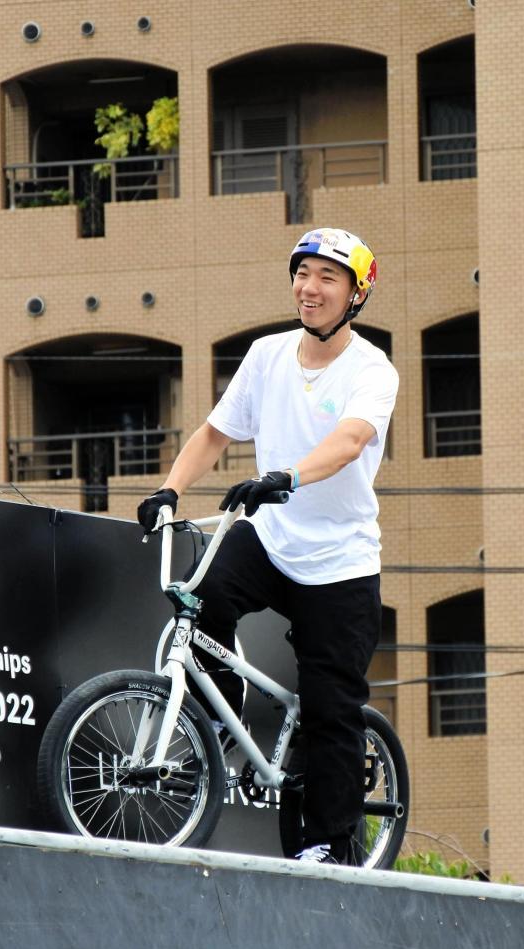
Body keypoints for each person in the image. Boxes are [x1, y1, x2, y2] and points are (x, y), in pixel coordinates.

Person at [137, 227, 398, 865]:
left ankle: (332, 847)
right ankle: (225, 710)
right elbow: (214, 433)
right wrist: (169, 490)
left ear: (355, 294)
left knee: (331, 711)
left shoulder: (373, 370)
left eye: (327, 279)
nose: (309, 289)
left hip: (341, 563)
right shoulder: (267, 355)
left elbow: (349, 442)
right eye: (302, 274)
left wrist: (286, 476)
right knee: (200, 596)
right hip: (273, 540)